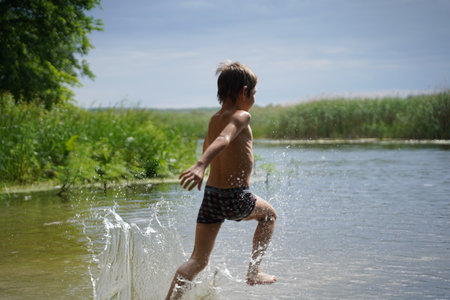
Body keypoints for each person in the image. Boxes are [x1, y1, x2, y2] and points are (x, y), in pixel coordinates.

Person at [165, 61, 277, 300]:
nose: (255, 99)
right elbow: (223, 141)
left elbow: (211, 144)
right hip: (235, 195)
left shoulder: (215, 118)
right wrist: (200, 164)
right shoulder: (241, 116)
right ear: (243, 92)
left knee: (197, 260)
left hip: (212, 195)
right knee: (269, 216)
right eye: (254, 93)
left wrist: (204, 169)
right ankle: (253, 272)